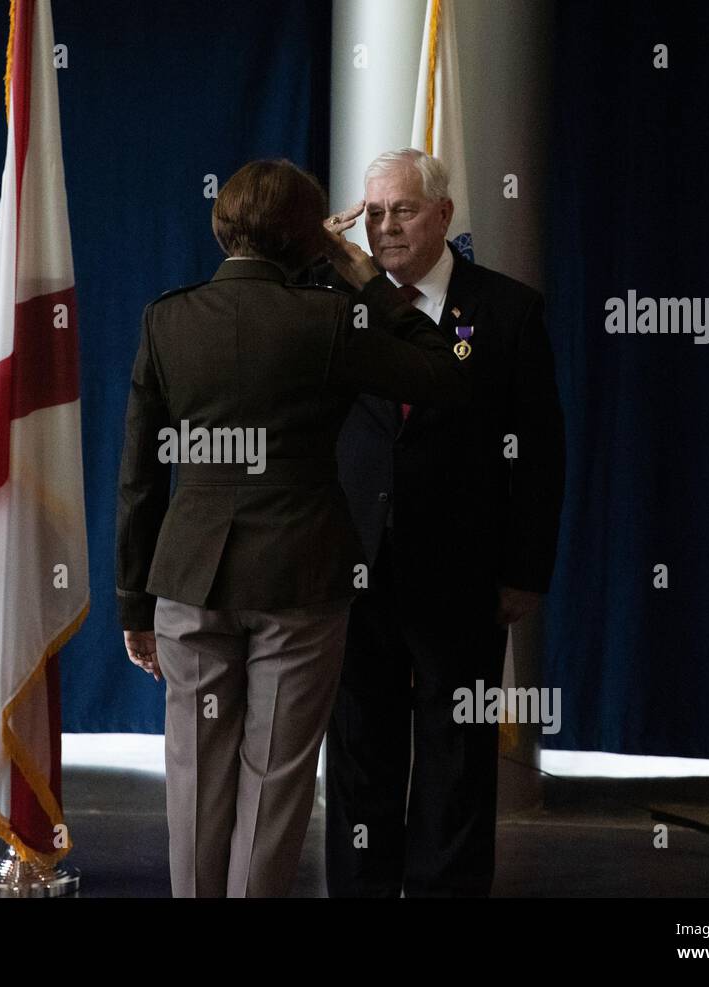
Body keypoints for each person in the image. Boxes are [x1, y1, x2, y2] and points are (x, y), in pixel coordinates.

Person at [115, 158, 468, 897]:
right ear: (312, 237)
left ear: (224, 227)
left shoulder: (166, 316)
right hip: (300, 578)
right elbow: (444, 373)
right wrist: (368, 278)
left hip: (188, 578)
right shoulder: (333, 318)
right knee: (274, 782)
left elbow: (140, 476)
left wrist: (133, 601)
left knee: (194, 780)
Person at [319, 148, 565, 897]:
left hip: (464, 575)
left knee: (458, 754)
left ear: (444, 216)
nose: (386, 226)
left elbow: (542, 452)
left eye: (403, 209)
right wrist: (315, 259)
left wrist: (526, 569)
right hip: (353, 571)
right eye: (374, 212)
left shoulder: (508, 310)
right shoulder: (333, 304)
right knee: (362, 750)